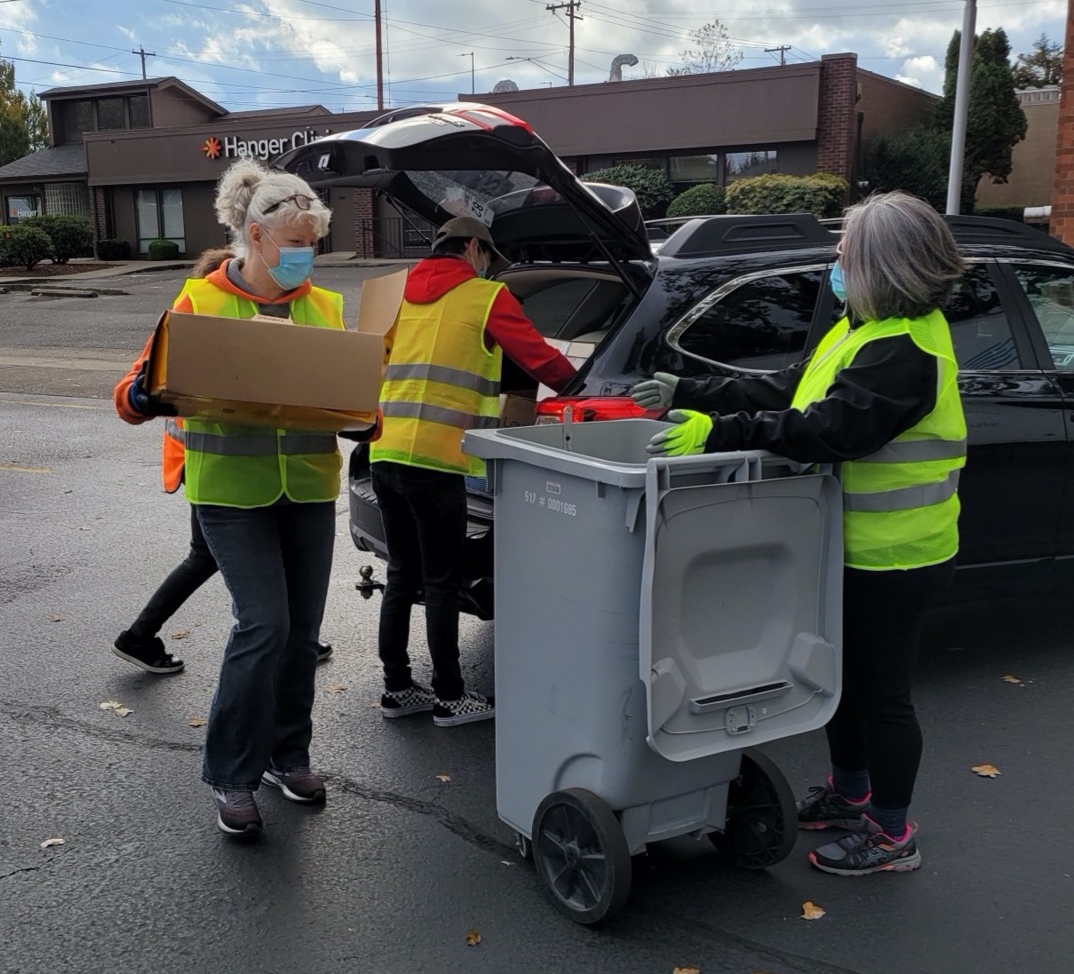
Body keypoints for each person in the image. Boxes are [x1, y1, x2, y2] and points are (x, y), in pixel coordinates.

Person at [633, 191, 967, 876]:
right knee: (842, 681)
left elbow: (827, 429)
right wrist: (690, 392)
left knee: (883, 696)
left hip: (898, 559)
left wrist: (716, 435)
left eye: (846, 254)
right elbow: (793, 389)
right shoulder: (863, 331)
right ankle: (851, 796)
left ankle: (891, 834)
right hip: (850, 549)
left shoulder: (905, 351)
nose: (835, 264)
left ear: (883, 264)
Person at [117, 158, 368, 836]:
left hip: (309, 491)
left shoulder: (323, 306)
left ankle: (288, 756)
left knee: (301, 635)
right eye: (294, 244)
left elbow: (342, 396)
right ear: (255, 238)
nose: (305, 256)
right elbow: (129, 396)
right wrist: (147, 393)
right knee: (264, 625)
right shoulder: (200, 302)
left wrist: (363, 416)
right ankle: (232, 774)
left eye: (312, 243)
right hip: (231, 492)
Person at [371, 215, 577, 727]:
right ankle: (449, 696)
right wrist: (584, 388)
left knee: (401, 575)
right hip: (437, 460)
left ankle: (397, 687)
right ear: (471, 247)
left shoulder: (395, 293)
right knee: (442, 581)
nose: (489, 268)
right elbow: (540, 360)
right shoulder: (485, 297)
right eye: (487, 258)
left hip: (383, 452)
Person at [112, 249, 333, 675]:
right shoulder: (197, 316)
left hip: (218, 470)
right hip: (212, 471)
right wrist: (143, 396)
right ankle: (142, 635)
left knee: (209, 557)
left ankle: (144, 635)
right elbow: (133, 389)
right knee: (213, 558)